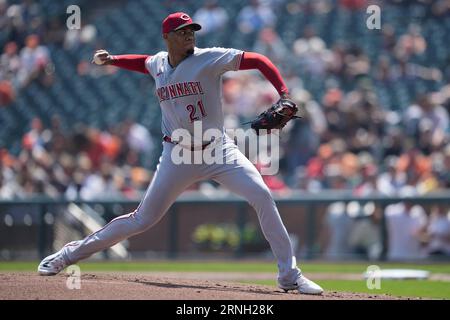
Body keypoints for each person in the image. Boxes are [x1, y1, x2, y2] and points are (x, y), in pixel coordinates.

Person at [37, 12, 323, 295]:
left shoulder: (209, 58)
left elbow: (260, 60)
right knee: (142, 220)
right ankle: (67, 255)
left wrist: (284, 94)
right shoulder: (159, 63)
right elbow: (144, 63)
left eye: (192, 30)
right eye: (182, 31)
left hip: (218, 150)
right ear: (167, 37)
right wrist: (114, 60)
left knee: (262, 195)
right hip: (177, 155)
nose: (189, 35)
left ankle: (289, 275)